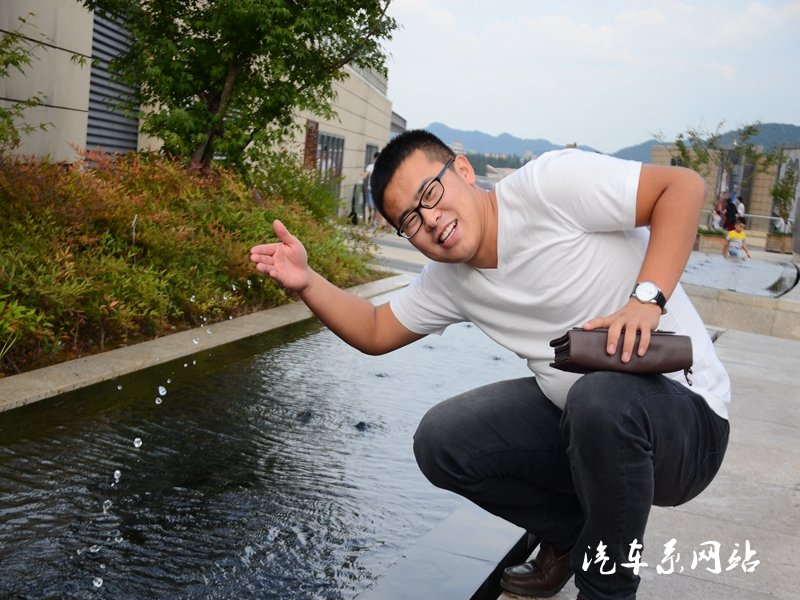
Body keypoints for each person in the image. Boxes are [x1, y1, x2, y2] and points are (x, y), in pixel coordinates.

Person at [249, 130, 730, 600]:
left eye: (431, 194)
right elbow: (375, 330)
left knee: (599, 397)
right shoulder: (449, 279)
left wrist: (646, 300)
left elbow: (681, 187)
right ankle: (569, 536)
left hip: (687, 426)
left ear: (463, 170)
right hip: (584, 427)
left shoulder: (549, 185)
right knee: (442, 439)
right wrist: (307, 280)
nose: (430, 220)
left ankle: (606, 590)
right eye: (410, 219)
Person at [361, 152, 380, 226]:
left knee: (376, 207)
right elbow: (366, 174)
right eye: (377, 158)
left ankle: (373, 220)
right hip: (371, 189)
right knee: (370, 204)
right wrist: (363, 175)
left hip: (378, 190)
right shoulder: (370, 166)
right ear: (374, 158)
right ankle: (370, 214)